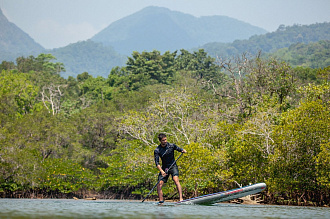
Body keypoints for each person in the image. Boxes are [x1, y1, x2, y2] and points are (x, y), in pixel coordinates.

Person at [154, 133, 187, 203]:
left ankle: (181, 199)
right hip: (164, 168)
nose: (165, 141)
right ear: (160, 141)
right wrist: (162, 171)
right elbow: (157, 163)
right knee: (159, 184)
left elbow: (179, 149)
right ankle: (161, 200)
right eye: (163, 140)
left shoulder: (172, 145)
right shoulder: (157, 150)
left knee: (176, 180)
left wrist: (183, 150)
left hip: (173, 166)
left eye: (165, 139)